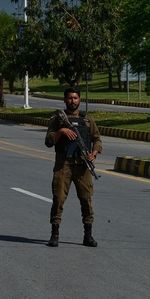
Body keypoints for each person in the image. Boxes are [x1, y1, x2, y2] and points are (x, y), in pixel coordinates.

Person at [44, 87, 103, 247]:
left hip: (83, 166)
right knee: (58, 199)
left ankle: (88, 235)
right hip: (64, 165)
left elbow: (97, 139)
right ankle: (54, 234)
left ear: (80, 100)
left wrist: (94, 153)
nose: (73, 101)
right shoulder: (58, 119)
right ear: (65, 100)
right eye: (70, 98)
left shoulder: (87, 120)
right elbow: (49, 141)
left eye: (75, 98)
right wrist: (61, 131)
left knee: (86, 199)